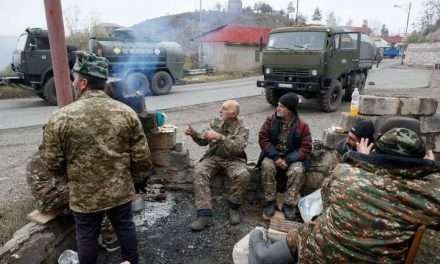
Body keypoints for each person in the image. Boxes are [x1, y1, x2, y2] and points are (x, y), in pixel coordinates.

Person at [249, 116, 440, 264]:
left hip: (319, 252)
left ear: (374, 149)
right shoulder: (427, 194)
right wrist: (429, 169)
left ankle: (258, 239)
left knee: (281, 247)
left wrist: (361, 160)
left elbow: (326, 198)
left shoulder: (347, 172)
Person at [39, 51, 152, 264]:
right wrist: (135, 182)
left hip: (84, 195)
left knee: (87, 236)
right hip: (120, 191)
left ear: (82, 83)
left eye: (74, 79)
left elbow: (51, 163)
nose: (72, 83)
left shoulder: (60, 118)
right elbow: (142, 158)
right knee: (125, 227)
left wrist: (70, 177)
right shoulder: (126, 112)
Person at [185, 100, 250, 231]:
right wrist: (194, 134)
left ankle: (233, 208)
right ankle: (204, 215)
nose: (220, 111)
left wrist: (220, 137)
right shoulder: (215, 122)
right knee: (199, 171)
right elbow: (203, 141)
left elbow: (237, 148)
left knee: (243, 175)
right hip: (214, 156)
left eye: (224, 109)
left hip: (234, 159)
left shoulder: (242, 128)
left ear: (233, 113)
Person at [258, 93, 312, 220]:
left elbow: (306, 148)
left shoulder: (302, 126)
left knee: (298, 170)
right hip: (273, 156)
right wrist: (275, 157)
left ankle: (289, 204)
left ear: (290, 109)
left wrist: (288, 160)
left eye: (281, 106)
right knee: (266, 166)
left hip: (292, 158)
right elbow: (263, 139)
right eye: (278, 105)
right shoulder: (270, 121)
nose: (278, 108)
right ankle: (270, 202)